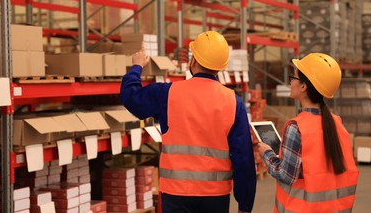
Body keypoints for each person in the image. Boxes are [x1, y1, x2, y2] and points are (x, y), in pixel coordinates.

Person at [120, 31, 256, 213]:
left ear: (193, 60)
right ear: (220, 67)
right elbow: (244, 158)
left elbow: (131, 98)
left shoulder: (168, 94)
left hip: (176, 194)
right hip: (215, 197)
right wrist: (245, 206)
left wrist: (137, 67)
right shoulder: (233, 101)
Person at [257, 53, 359, 213]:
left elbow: (285, 175)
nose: (290, 81)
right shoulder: (336, 123)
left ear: (303, 86)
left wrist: (267, 154)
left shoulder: (296, 127)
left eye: (293, 77)